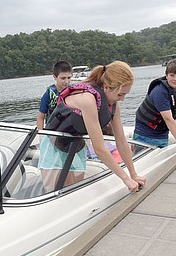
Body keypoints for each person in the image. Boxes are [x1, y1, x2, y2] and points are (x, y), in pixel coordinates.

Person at [39, 61, 146, 192]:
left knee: (75, 191)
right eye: (120, 94)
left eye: (125, 94)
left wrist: (133, 174)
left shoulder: (114, 104)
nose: (122, 99)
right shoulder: (87, 99)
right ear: (106, 87)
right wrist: (125, 179)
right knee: (55, 193)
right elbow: (99, 149)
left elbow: (121, 141)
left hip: (76, 146)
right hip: (54, 147)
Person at [133, 57, 176, 152]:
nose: (175, 79)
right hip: (145, 133)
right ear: (166, 75)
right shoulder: (159, 91)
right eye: (172, 75)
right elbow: (168, 118)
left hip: (163, 132)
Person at [36, 60, 73, 130]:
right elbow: (41, 117)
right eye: (63, 78)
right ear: (55, 77)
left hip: (69, 130)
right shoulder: (49, 93)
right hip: (52, 130)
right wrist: (41, 136)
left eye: (69, 78)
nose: (66, 81)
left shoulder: (73, 91)